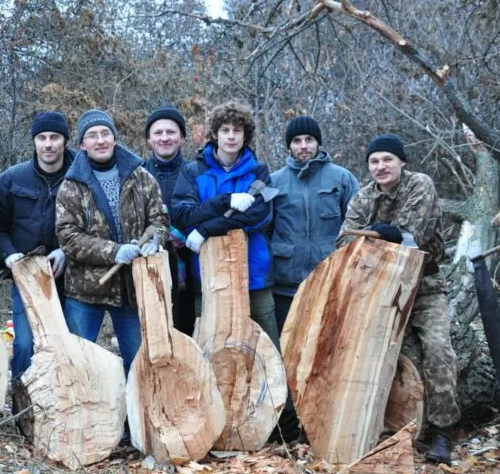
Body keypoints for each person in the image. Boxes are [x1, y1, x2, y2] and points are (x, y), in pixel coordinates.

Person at [337, 134, 461, 465]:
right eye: (374, 161)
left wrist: (375, 236)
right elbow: (344, 242)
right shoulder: (362, 198)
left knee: (438, 350)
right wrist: (376, 237)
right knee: (366, 353)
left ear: (402, 161)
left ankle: (442, 432)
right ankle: (368, 426)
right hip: (379, 287)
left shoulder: (420, 185)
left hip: (424, 284)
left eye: (387, 160)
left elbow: (411, 235)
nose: (381, 167)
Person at [55, 109, 168, 375]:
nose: (100, 140)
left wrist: (155, 238)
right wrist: (114, 252)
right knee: (79, 366)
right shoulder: (71, 185)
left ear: (115, 138)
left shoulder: (141, 177)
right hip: (86, 290)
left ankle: (134, 416)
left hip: (132, 289)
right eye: (92, 136)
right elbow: (68, 238)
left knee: (141, 366)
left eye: (105, 133)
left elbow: (160, 219)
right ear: (82, 144)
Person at [270, 116, 359, 443]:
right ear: (289, 146)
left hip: (329, 282)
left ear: (318, 143)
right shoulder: (274, 181)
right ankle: (288, 423)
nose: (303, 146)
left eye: (309, 139)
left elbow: (358, 226)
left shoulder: (341, 178)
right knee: (287, 354)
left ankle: (321, 420)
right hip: (285, 283)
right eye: (297, 141)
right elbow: (260, 227)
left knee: (324, 352)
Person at [171, 101, 277, 344]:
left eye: (237, 130)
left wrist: (206, 228)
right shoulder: (194, 171)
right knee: (210, 349)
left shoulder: (258, 171)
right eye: (225, 130)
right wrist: (225, 201)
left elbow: (258, 216)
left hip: (255, 276)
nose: (231, 136)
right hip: (208, 277)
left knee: (266, 349)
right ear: (215, 134)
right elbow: (182, 215)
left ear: (245, 135)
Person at [0, 111, 74, 380]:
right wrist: (8, 256)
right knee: (24, 344)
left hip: (74, 277)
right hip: (27, 278)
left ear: (65, 141)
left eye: (54, 137)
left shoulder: (81, 175)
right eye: (42, 138)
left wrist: (68, 251)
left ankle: (65, 407)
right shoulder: (13, 179)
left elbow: (95, 225)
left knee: (68, 344)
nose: (48, 144)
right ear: (34, 142)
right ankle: (23, 412)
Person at [142, 105, 196, 335]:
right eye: (158, 133)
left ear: (182, 137)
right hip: (147, 265)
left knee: (186, 332)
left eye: (171, 132)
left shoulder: (195, 172)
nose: (165, 138)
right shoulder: (137, 174)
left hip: (190, 269)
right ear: (149, 139)